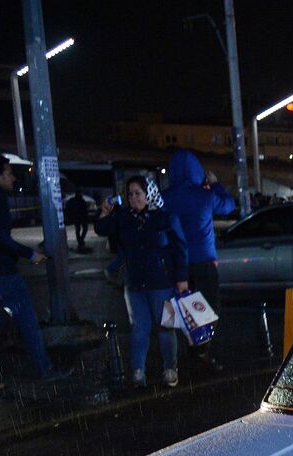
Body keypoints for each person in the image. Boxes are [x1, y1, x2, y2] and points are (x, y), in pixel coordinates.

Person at [0, 151, 69, 393]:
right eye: (8, 172)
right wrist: (31, 255)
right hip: (2, 274)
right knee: (28, 322)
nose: (12, 177)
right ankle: (45, 369)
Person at [96, 175, 189, 389]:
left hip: (162, 283)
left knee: (166, 327)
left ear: (149, 194)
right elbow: (101, 228)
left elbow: (180, 248)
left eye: (138, 193)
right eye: (130, 194)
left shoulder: (165, 218)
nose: (133, 198)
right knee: (139, 328)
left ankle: (170, 368)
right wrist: (105, 210)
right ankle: (138, 372)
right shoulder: (124, 218)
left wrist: (181, 278)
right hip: (135, 284)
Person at [164, 151, 234, 373]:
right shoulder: (205, 196)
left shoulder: (164, 197)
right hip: (204, 261)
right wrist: (215, 184)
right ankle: (201, 354)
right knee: (208, 310)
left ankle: (179, 359)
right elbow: (229, 206)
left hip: (176, 265)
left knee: (181, 311)